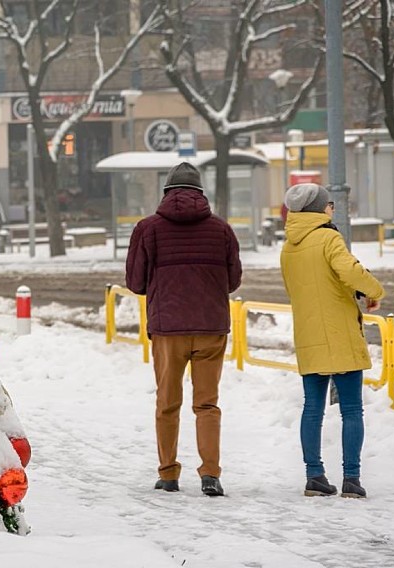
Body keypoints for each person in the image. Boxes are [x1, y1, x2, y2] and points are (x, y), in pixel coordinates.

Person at [126, 162, 242, 497]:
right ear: (201, 193)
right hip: (211, 327)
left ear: (166, 193)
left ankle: (168, 474)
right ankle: (210, 475)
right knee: (207, 404)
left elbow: (135, 282)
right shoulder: (222, 230)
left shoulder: (147, 229)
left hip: (168, 329)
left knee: (167, 403)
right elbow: (233, 280)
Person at [280, 183, 384, 499]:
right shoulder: (329, 238)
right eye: (329, 205)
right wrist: (374, 291)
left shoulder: (288, 247)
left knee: (312, 408)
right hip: (339, 335)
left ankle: (314, 476)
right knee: (352, 410)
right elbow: (349, 270)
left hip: (309, 335)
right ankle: (351, 479)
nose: (332, 209)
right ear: (319, 209)